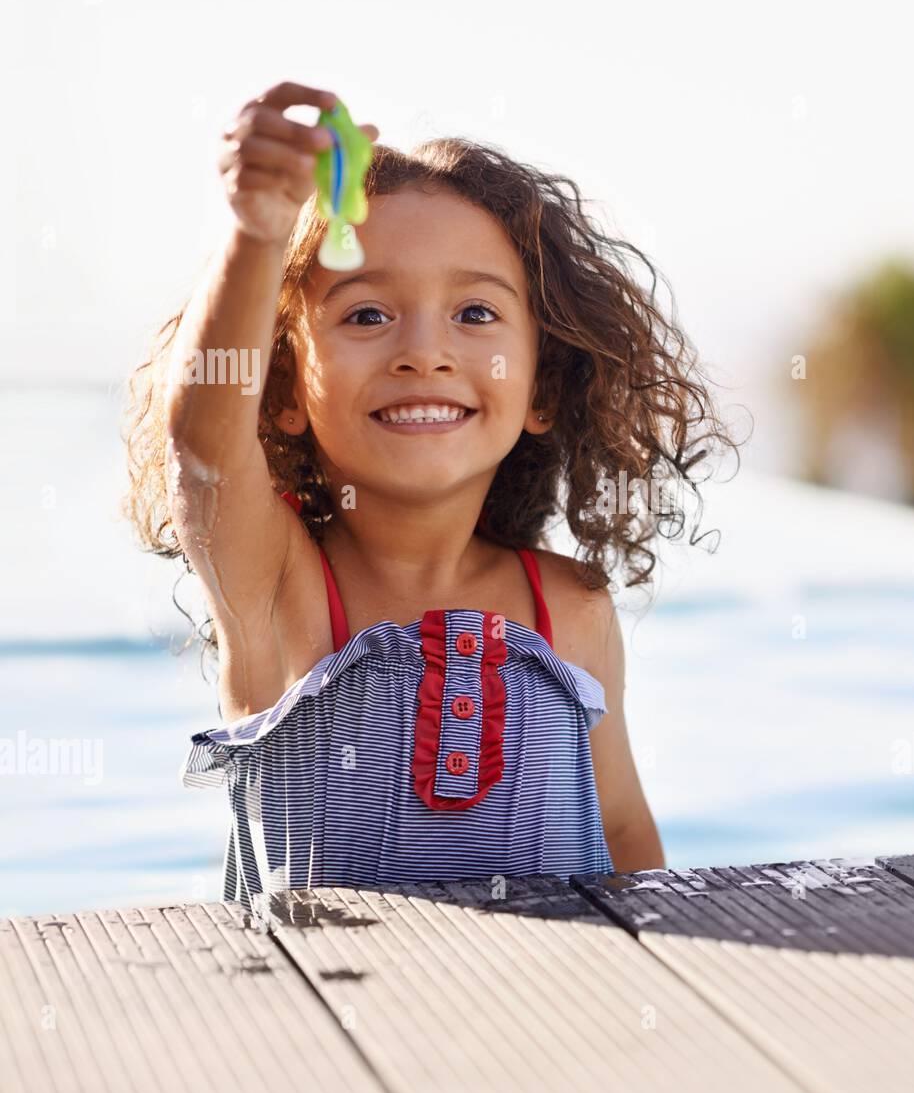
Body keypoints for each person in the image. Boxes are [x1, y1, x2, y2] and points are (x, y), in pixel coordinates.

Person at [124, 81, 743, 906]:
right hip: (328, 1020)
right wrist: (257, 232)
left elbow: (625, 829)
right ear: (281, 389)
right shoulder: (278, 592)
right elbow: (201, 451)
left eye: (476, 313)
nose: (425, 351)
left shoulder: (572, 609)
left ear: (541, 391)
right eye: (369, 316)